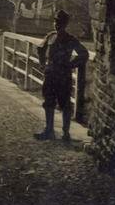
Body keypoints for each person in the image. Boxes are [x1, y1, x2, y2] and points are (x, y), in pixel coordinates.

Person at [34, 9, 88, 141]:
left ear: (65, 24)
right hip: (50, 74)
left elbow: (84, 54)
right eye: (56, 21)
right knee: (48, 102)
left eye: (60, 22)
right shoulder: (50, 36)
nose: (57, 24)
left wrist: (71, 64)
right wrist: (43, 64)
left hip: (64, 76)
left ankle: (66, 133)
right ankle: (49, 130)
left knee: (65, 104)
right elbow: (40, 49)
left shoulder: (70, 39)